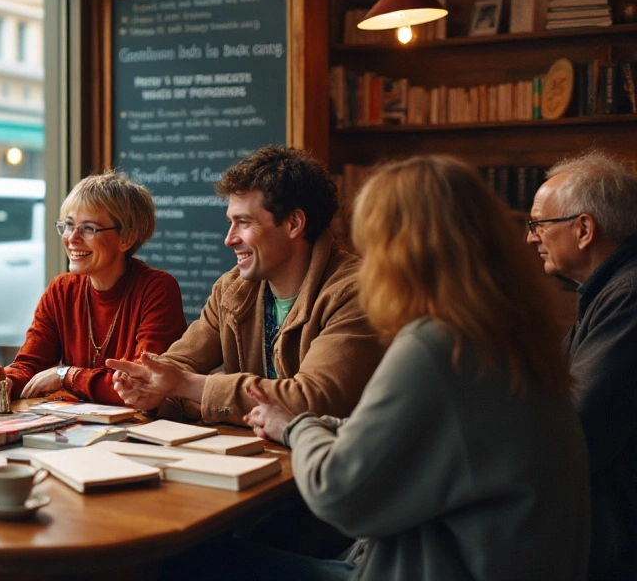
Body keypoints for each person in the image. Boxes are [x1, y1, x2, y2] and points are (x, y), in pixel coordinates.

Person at [212, 156, 590, 581]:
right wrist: (315, 425)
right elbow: (416, 437)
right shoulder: (510, 333)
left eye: (373, 244)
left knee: (194, 559)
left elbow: (339, 496)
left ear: (401, 250)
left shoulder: (436, 344)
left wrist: (296, 428)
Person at [108, 145, 382, 424]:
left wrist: (187, 387)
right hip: (249, 456)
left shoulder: (356, 292)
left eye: (244, 222)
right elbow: (177, 367)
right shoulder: (231, 289)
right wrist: (150, 390)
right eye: (230, 222)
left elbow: (311, 400)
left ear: (294, 223)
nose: (229, 239)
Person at [0, 171, 185, 403]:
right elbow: (30, 365)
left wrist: (67, 375)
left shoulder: (157, 289)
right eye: (68, 225)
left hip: (143, 431)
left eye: (88, 228)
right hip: (78, 431)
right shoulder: (62, 290)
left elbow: (141, 384)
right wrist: (3, 381)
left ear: (126, 237)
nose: (71, 238)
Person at [527, 150, 637, 581]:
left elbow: (573, 430)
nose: (530, 238)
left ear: (584, 228)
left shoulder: (628, 297)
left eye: (537, 225)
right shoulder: (607, 289)